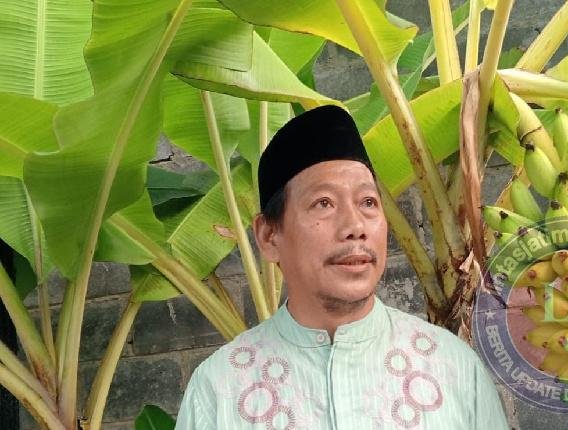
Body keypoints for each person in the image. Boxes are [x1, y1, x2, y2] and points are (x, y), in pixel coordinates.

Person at [175, 105, 509, 429]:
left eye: (368, 202)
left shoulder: (454, 368)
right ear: (268, 236)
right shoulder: (219, 390)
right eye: (324, 203)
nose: (355, 225)